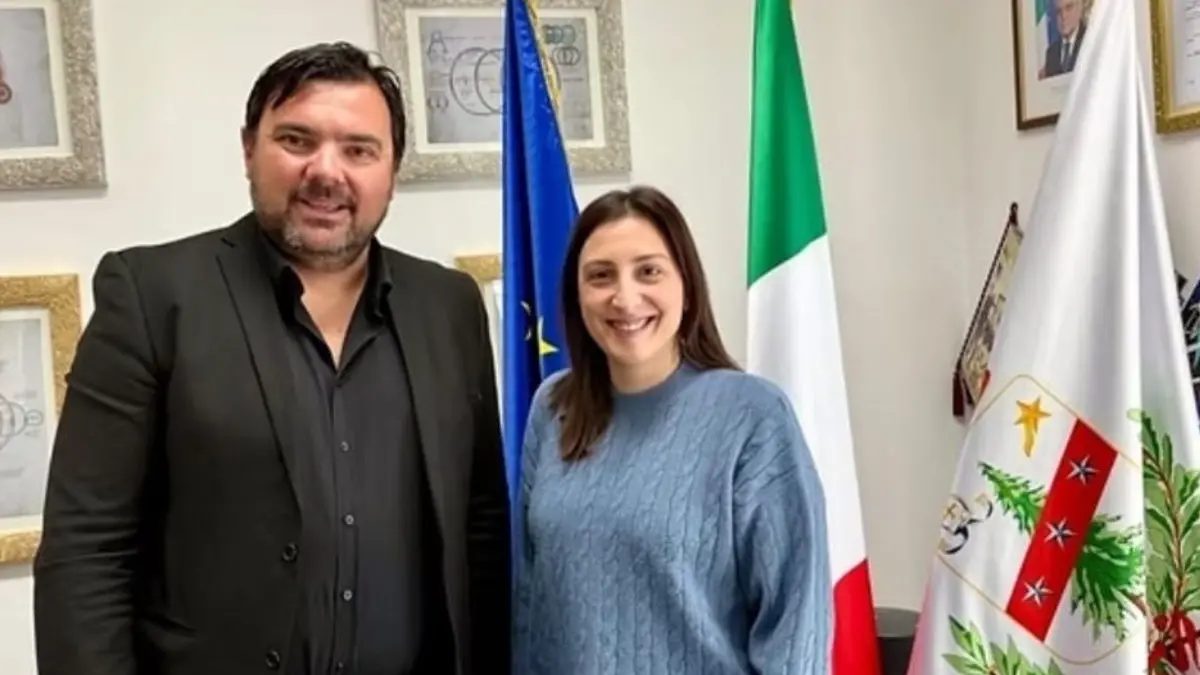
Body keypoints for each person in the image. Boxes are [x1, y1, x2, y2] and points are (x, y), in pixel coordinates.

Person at [33, 42, 510, 675]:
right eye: (296, 140)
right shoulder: (152, 296)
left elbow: (479, 527)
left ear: (392, 171)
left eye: (359, 150)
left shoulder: (449, 307)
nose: (326, 171)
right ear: (248, 150)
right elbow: (86, 548)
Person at [512, 186, 833, 674]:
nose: (625, 298)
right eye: (600, 275)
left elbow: (795, 626)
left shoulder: (753, 416)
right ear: (577, 296)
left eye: (649, 271)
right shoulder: (552, 406)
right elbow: (531, 604)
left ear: (686, 286)